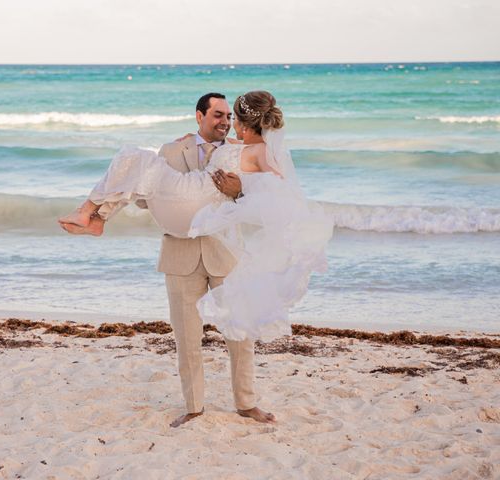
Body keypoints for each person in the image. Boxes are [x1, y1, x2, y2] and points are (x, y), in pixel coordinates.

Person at [59, 91, 333, 426]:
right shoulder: (173, 150)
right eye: (218, 115)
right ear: (199, 116)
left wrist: (239, 192)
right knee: (186, 337)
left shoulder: (240, 149)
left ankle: (246, 403)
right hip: (180, 248)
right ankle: (193, 407)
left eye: (229, 116)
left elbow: (274, 193)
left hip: (224, 250)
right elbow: (144, 198)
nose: (225, 122)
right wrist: (171, 200)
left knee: (240, 333)